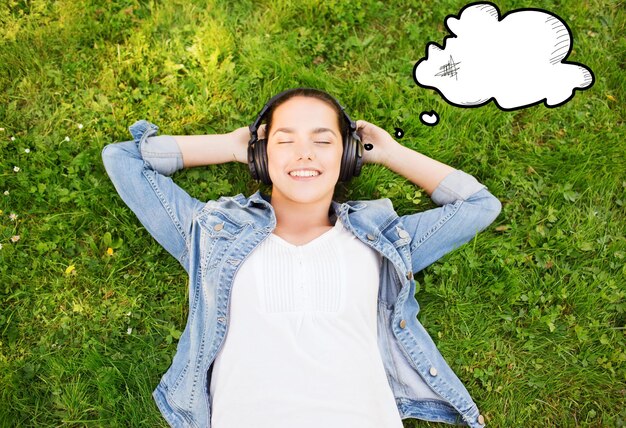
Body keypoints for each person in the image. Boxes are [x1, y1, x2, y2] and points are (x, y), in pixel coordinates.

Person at [101, 88, 501, 428]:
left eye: (323, 141)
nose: (304, 153)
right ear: (261, 155)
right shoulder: (211, 234)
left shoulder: (382, 240)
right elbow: (124, 159)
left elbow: (478, 205)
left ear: (347, 156)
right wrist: (228, 145)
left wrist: (389, 153)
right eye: (285, 140)